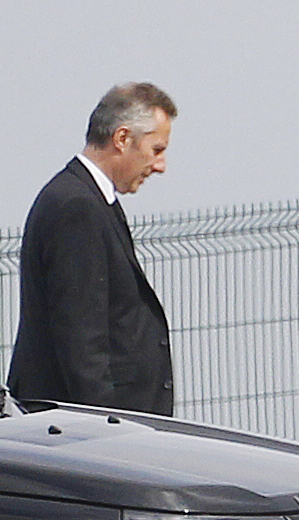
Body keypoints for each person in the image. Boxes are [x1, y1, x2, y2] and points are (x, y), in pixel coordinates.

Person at [9, 82, 177, 415]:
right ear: (122, 138)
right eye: (156, 149)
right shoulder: (78, 207)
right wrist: (105, 425)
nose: (161, 165)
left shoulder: (90, 200)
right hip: (84, 429)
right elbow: (82, 340)